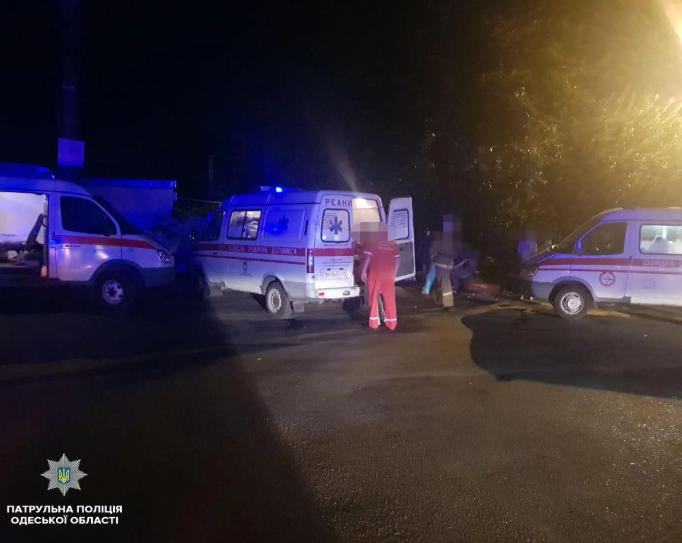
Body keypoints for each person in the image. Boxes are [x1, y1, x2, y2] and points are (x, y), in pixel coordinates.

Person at [358, 222, 400, 330]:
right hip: (389, 275)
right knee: (390, 299)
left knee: (373, 297)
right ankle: (392, 324)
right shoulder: (393, 244)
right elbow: (397, 260)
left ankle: (374, 323)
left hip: (375, 274)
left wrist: (363, 271)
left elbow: (368, 258)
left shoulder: (374, 243)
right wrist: (394, 274)